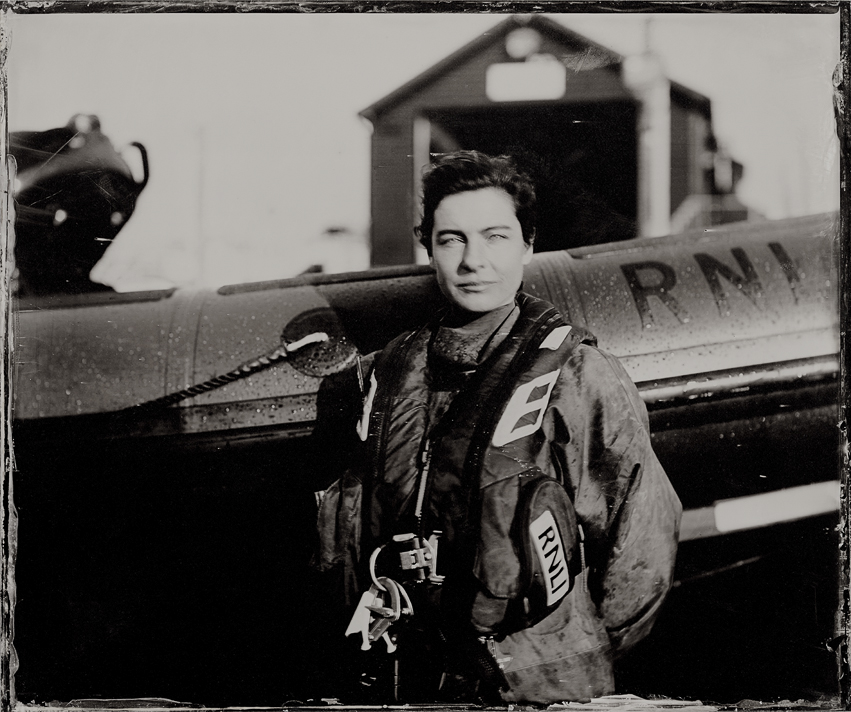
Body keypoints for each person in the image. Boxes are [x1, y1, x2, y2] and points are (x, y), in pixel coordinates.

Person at [313, 150, 682, 704]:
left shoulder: (579, 376)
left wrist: (574, 650)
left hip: (545, 683)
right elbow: (345, 538)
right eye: (452, 239)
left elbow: (643, 543)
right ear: (430, 248)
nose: (473, 261)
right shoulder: (383, 377)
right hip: (416, 675)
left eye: (495, 237)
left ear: (528, 244)